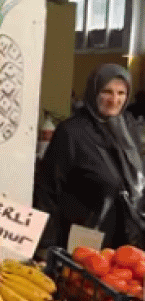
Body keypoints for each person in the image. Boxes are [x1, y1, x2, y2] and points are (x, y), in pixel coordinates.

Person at [35, 64, 145, 252]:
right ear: (94, 92)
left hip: (128, 241)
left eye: (121, 93)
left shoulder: (129, 129)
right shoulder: (71, 132)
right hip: (85, 239)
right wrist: (46, 245)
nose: (114, 100)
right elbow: (48, 189)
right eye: (107, 92)